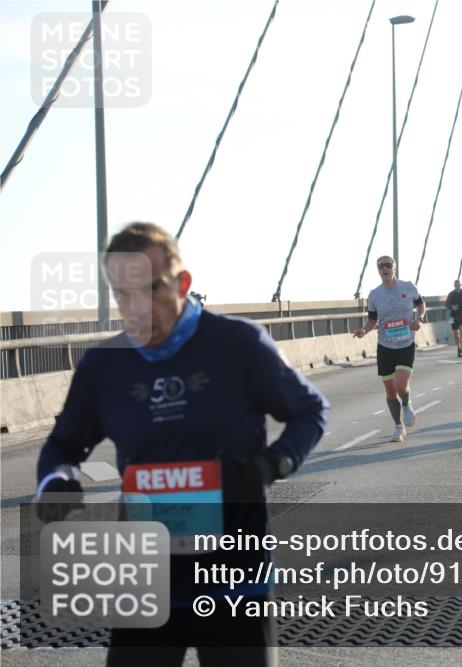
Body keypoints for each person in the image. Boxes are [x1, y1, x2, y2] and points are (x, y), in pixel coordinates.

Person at [33, 222, 329, 666]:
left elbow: (310, 411)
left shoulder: (238, 344)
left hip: (235, 584)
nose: (136, 308)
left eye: (150, 289)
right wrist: (55, 483)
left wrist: (271, 465)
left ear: (183, 283)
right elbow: (63, 447)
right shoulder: (102, 368)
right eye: (122, 294)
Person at [353, 255, 426, 442]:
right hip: (385, 346)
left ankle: (407, 402)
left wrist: (419, 319)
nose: (384, 269)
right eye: (381, 266)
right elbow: (372, 320)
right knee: (390, 391)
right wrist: (363, 330)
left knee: (401, 386)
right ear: (378, 270)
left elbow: (420, 305)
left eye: (388, 265)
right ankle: (398, 427)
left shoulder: (408, 287)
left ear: (394, 267)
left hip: (406, 344)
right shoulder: (375, 295)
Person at [445, 279, 462, 357]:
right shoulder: (451, 294)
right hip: (452, 316)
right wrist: (452, 307)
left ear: (461, 284)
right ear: (454, 285)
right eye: (455, 284)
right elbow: (446, 304)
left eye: (458, 284)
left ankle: (461, 349)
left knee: (461, 330)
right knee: (455, 334)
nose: (457, 285)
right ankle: (458, 347)